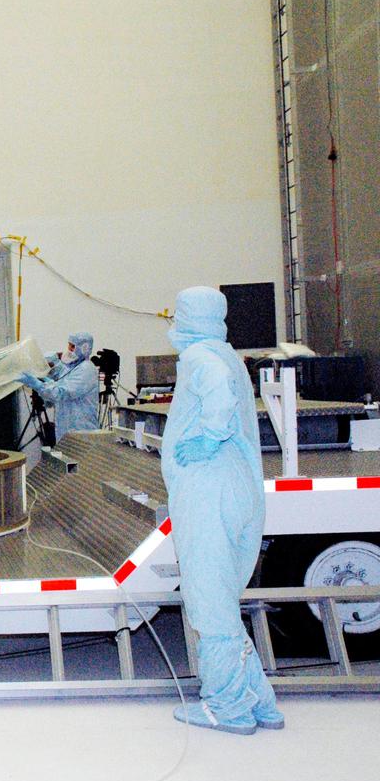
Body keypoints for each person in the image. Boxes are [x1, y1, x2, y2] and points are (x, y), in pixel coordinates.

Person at [161, 286, 280, 734]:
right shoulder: (229, 353)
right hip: (239, 486)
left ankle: (226, 707)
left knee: (209, 603)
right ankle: (261, 702)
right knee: (224, 601)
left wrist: (210, 433)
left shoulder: (201, 357)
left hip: (209, 489)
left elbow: (216, 393)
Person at [17, 332, 100, 440]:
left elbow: (60, 393)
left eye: (73, 346)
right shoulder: (70, 367)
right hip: (65, 430)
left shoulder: (86, 369)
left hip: (81, 432)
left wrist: (38, 385)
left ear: (84, 348)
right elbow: (51, 370)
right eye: (69, 345)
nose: (69, 349)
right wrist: (47, 373)